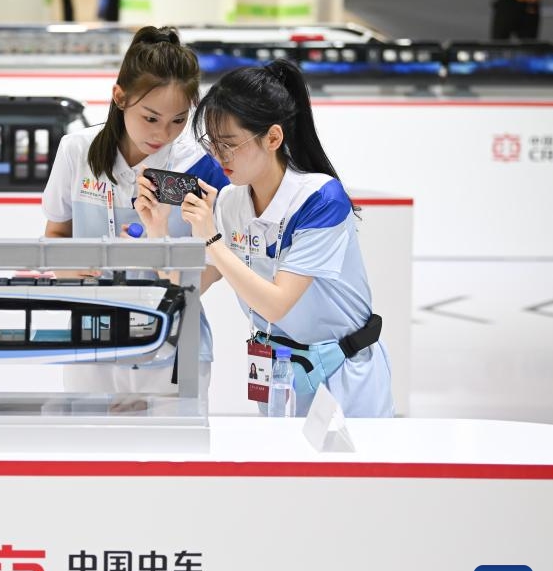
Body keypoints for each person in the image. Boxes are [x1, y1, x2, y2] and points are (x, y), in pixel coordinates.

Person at [135, 58, 393, 418]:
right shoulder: (229, 201)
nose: (217, 155)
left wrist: (212, 241)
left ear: (273, 137)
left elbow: (276, 304)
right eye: (211, 142)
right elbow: (184, 290)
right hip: (276, 373)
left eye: (229, 143)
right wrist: (157, 231)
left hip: (342, 374)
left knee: (344, 474)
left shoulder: (321, 199)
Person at [42, 25, 228, 395]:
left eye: (178, 120)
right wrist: (68, 268)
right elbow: (56, 234)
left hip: (171, 342)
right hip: (89, 336)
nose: (163, 133)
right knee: (90, 448)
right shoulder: (77, 151)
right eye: (151, 117)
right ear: (120, 97)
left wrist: (165, 259)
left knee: (169, 452)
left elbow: (217, 264)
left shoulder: (201, 166)